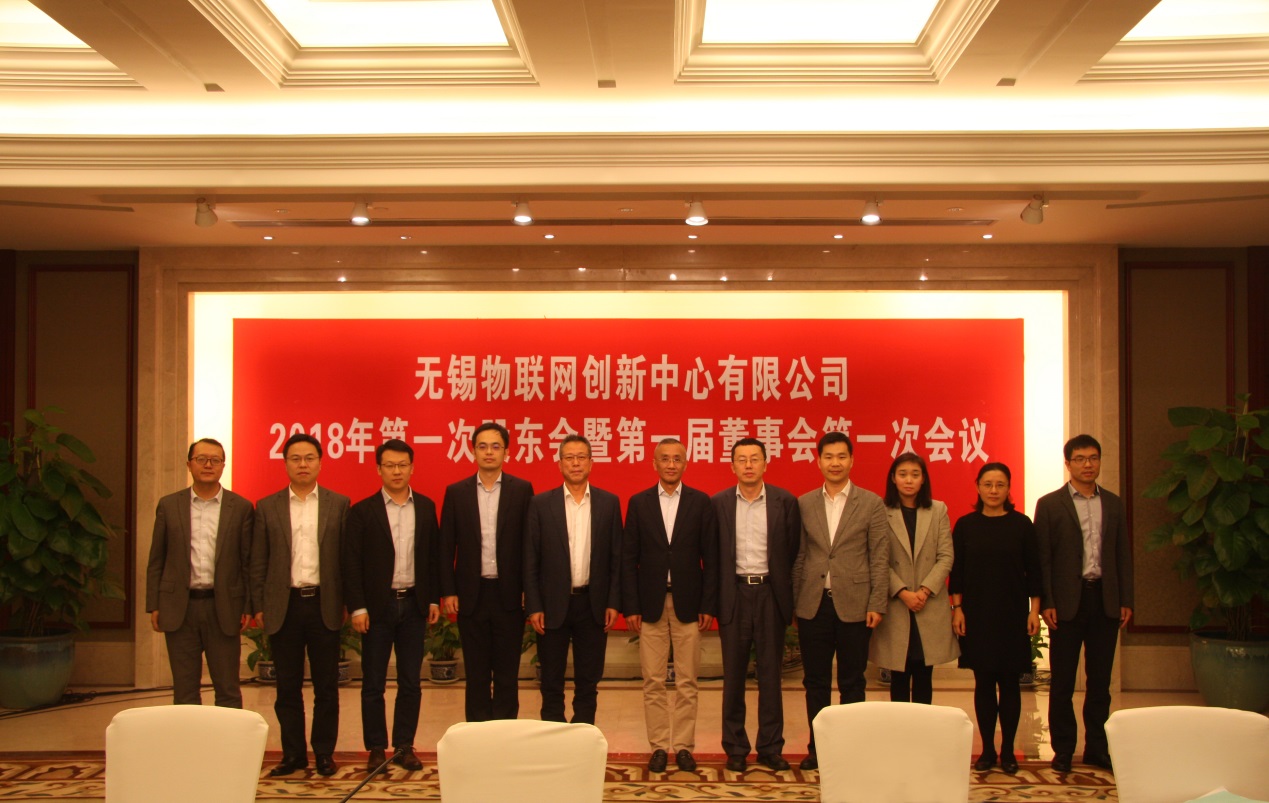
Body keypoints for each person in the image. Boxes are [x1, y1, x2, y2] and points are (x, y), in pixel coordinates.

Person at [250, 433, 350, 778]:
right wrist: (259, 604)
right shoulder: (267, 506)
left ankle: (323, 753)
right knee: (287, 687)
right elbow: (258, 561)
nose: (303, 464)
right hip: (284, 605)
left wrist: (349, 602)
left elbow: (346, 560)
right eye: (295, 458)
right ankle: (293, 754)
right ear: (285, 464)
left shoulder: (339, 504)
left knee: (326, 687)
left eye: (309, 458)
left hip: (324, 604)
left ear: (320, 462)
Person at [1035, 434, 1133, 774]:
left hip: (1105, 599)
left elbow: (1122, 554)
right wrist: (1047, 601)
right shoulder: (1050, 504)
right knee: (1062, 682)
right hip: (1065, 604)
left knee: (1100, 683)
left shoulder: (1114, 504)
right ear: (1068, 464)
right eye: (1080, 459)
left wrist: (1126, 599)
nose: (1087, 464)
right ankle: (1063, 749)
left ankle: (1097, 748)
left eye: (1093, 458)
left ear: (1099, 461)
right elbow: (1043, 558)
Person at [792, 431, 889, 771]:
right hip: (813, 604)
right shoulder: (804, 503)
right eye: (829, 457)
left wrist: (877, 603)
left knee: (853, 682)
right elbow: (799, 556)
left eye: (841, 456)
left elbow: (879, 556)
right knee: (815, 682)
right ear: (818, 461)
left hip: (856, 605)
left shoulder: (871, 503)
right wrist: (795, 603)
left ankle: (850, 751)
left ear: (851, 460)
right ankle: (818, 749)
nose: (835, 463)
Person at [342, 439, 440, 774]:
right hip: (377, 609)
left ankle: (403, 746)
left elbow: (432, 557)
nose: (396, 471)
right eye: (389, 465)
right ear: (378, 469)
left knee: (411, 681)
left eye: (402, 465)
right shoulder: (362, 511)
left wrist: (432, 598)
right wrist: (357, 608)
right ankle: (375, 748)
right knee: (373, 682)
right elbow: (351, 563)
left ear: (412, 468)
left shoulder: (425, 507)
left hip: (413, 605)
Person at [622, 437, 719, 773]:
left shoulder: (700, 502)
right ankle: (660, 746)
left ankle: (684, 746)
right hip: (650, 603)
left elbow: (711, 558)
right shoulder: (639, 503)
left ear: (686, 463)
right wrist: (631, 606)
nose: (671, 464)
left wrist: (708, 604)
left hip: (688, 603)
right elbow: (628, 558)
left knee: (688, 681)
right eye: (665, 459)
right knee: (652, 681)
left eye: (677, 459)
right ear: (655, 464)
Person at [712, 438, 801, 773]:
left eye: (754, 459)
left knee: (770, 675)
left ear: (766, 463)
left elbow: (793, 551)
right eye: (741, 459)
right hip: (734, 594)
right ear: (732, 466)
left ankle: (770, 747)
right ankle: (735, 747)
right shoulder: (718, 503)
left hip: (769, 594)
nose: (748, 465)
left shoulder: (784, 501)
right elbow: (712, 554)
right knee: (733, 677)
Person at [145, 438, 254, 707]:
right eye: (201, 459)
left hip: (223, 607)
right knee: (185, 691)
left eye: (215, 460)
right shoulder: (169, 505)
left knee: (228, 689)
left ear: (223, 466)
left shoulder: (240, 507)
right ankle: (189, 736)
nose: (208, 465)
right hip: (180, 607)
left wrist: (248, 606)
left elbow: (247, 563)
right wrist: (154, 603)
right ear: (189, 464)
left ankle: (228, 736)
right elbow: (157, 559)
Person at [523, 434, 623, 724]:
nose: (576, 463)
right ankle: (553, 734)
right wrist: (534, 605)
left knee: (588, 681)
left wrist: (613, 602)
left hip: (593, 604)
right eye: (569, 457)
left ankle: (584, 733)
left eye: (581, 457)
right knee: (551, 680)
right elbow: (530, 559)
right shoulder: (541, 504)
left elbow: (616, 558)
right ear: (559, 464)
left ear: (591, 462)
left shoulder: (608, 503)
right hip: (552, 605)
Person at [949, 462, 1041, 776]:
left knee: (1010, 682)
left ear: (1008, 489)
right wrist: (957, 608)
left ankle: (1008, 751)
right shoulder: (966, 525)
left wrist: (1034, 611)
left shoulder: (1022, 525)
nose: (993, 490)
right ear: (978, 487)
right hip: (977, 614)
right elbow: (957, 572)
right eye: (987, 484)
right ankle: (988, 749)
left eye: (1000, 484)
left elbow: (1034, 571)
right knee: (984, 681)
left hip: (1013, 613)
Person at [438, 421, 535, 721]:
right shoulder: (457, 492)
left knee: (507, 672)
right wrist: (449, 590)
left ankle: (505, 732)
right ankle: (478, 732)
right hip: (471, 594)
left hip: (510, 595)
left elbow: (530, 545)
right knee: (476, 672)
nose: (489, 452)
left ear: (506, 452)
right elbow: (446, 546)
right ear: (473, 451)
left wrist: (528, 590)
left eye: (495, 446)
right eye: (482, 446)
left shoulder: (522, 490)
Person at [869, 452, 959, 704]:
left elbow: (946, 556)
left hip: (928, 603)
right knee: (898, 674)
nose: (909, 480)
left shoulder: (938, 509)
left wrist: (924, 591)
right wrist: (903, 592)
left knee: (923, 673)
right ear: (893, 478)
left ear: (923, 479)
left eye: (915, 474)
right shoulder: (880, 510)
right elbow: (877, 558)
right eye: (903, 474)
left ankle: (923, 726)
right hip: (896, 603)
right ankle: (900, 727)